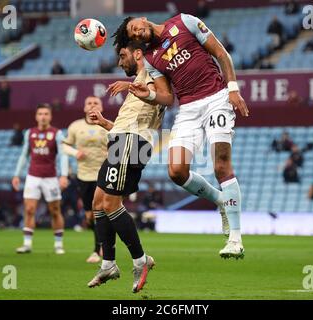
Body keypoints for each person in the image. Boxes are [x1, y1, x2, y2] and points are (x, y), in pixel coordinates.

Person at [113, 12, 249, 260]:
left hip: (217, 98)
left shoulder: (183, 22)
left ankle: (235, 239)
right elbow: (167, 97)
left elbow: (221, 53)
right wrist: (145, 93)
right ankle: (221, 201)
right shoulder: (152, 59)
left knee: (221, 166)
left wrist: (232, 89)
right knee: (176, 171)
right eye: (132, 35)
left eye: (135, 27)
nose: (136, 33)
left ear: (142, 19)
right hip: (188, 109)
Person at [86, 40, 165, 292]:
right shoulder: (142, 78)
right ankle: (108, 263)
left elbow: (163, 97)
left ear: (138, 53)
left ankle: (141, 260)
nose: (120, 62)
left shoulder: (153, 73)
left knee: (110, 203)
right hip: (123, 140)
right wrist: (106, 124)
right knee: (98, 201)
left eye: (123, 55)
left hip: (133, 143)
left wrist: (129, 85)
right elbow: (134, 119)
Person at [12, 103, 69, 254]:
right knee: (29, 209)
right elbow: (24, 154)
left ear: (50, 116)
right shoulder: (29, 133)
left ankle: (58, 244)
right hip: (33, 176)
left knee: (55, 210)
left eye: (46, 114)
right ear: (36, 116)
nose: (43, 117)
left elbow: (63, 155)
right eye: (40, 114)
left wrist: (63, 175)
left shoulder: (57, 133)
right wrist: (17, 174)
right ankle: (27, 244)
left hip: (51, 177)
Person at [62, 96, 109, 264]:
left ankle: (98, 249)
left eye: (96, 103)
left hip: (103, 175)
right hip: (83, 176)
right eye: (89, 103)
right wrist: (75, 153)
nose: (92, 105)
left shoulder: (108, 126)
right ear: (84, 108)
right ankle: (103, 240)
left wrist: (111, 153)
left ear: (102, 107)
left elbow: (120, 144)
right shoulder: (76, 126)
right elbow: (64, 145)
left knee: (100, 212)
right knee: (89, 216)